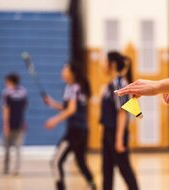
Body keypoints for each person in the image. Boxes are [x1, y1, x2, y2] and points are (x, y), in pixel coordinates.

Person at [44, 62, 96, 190]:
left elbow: (71, 110)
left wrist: (54, 120)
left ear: (72, 73)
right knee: (81, 162)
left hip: (75, 131)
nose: (62, 71)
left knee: (55, 162)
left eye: (65, 69)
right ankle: (93, 185)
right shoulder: (78, 87)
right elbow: (68, 107)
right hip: (83, 130)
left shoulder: (72, 87)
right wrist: (52, 103)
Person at [100, 51, 139, 190]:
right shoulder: (111, 83)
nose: (102, 65)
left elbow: (122, 112)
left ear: (113, 64)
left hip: (116, 133)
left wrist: (119, 139)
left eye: (105, 62)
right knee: (107, 170)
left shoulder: (119, 83)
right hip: (108, 132)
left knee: (125, 169)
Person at [1, 73, 27, 175]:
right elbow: (24, 108)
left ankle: (6, 169)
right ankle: (17, 169)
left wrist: (6, 124)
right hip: (20, 123)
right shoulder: (23, 92)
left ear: (9, 81)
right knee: (18, 148)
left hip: (10, 124)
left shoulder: (6, 93)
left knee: (7, 147)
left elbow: (6, 109)